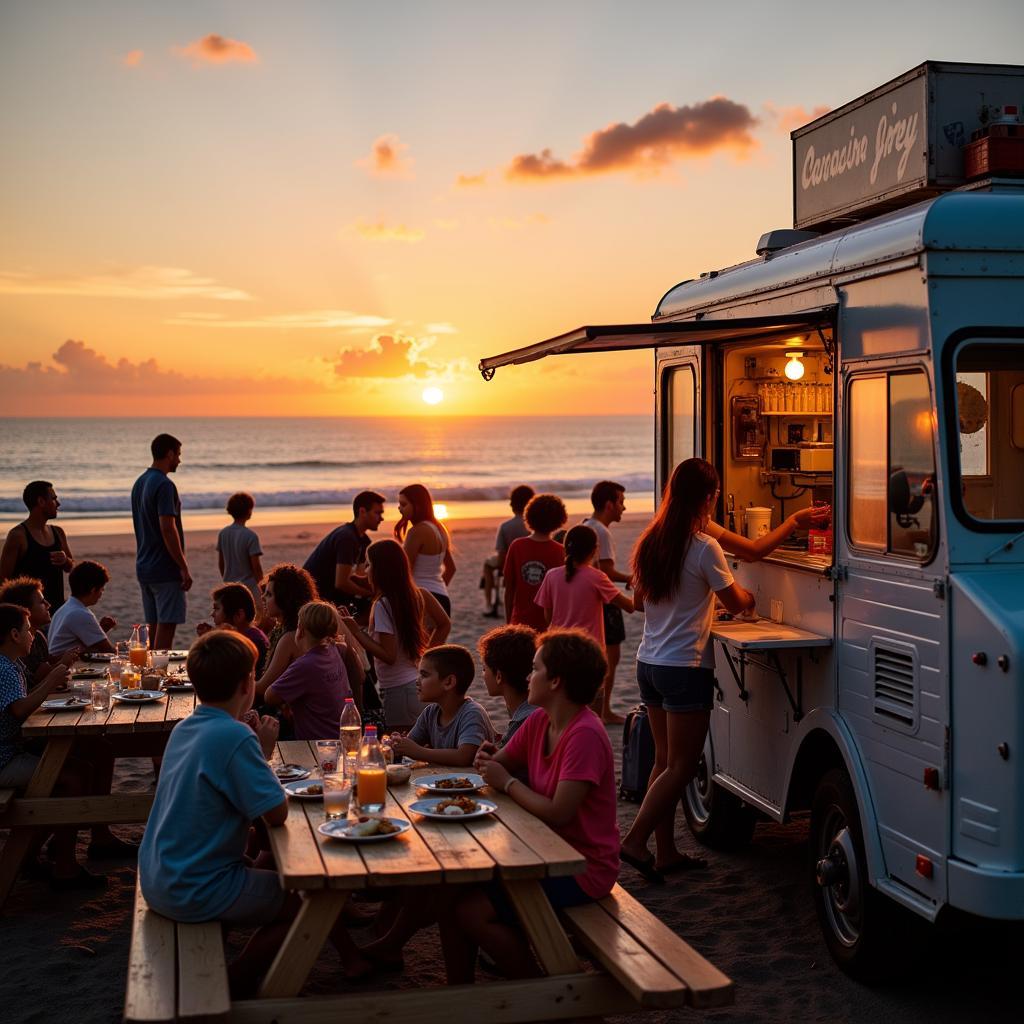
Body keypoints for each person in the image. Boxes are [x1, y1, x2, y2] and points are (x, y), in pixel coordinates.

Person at [137, 629, 372, 993]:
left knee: (265, 859)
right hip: (194, 887)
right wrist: (262, 751)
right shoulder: (234, 736)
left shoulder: (186, 728)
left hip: (160, 873)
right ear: (248, 683)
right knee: (305, 902)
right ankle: (237, 981)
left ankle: (350, 956)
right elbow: (276, 814)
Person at [442, 629, 619, 982]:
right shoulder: (540, 720)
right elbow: (499, 762)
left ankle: (545, 994)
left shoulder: (583, 733)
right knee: (450, 894)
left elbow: (559, 811)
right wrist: (489, 758)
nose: (527, 676)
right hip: (540, 850)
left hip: (582, 867)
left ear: (555, 681)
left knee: (470, 911)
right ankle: (459, 995)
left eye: (535, 669)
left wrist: (505, 782)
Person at [619, 458, 755, 882]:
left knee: (664, 762)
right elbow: (735, 602)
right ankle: (635, 840)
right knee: (682, 765)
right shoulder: (703, 546)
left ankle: (665, 852)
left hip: (649, 662)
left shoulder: (651, 540)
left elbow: (641, 601)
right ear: (710, 497)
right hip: (683, 666)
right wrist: (749, 598)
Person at [0, 602, 110, 889]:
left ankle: (35, 853)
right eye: (27, 631)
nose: (32, 635)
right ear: (13, 635)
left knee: (81, 766)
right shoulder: (4, 669)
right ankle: (64, 866)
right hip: (4, 760)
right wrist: (50, 681)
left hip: (13, 751)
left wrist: (54, 676)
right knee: (72, 778)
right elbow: (20, 711)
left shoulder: (12, 664)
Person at [340, 539, 450, 732]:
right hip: (415, 683)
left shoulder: (382, 604)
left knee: (402, 752)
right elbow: (444, 625)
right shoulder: (419, 595)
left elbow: (388, 655)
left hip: (398, 691)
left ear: (381, 569)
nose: (366, 570)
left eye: (369, 564)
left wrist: (355, 631)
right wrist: (426, 659)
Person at [534, 525, 634, 663]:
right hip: (589, 652)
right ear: (594, 550)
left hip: (557, 649)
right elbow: (629, 606)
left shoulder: (551, 576)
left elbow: (548, 617)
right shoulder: (597, 577)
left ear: (565, 549)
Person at [131, 433, 190, 650]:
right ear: (169, 453)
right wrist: (183, 566)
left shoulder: (140, 482)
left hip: (144, 565)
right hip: (164, 567)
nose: (179, 460)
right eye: (178, 455)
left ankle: (151, 677)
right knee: (166, 627)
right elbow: (167, 528)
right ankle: (158, 674)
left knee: (154, 626)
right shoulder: (164, 485)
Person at [391, 645, 495, 767]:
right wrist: (398, 744)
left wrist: (419, 752)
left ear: (449, 682)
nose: (417, 680)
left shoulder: (472, 713)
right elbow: (411, 745)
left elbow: (464, 757)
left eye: (424, 675)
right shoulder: (430, 713)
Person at [264, 601, 352, 739]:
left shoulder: (305, 665)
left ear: (300, 630)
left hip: (316, 743)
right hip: (338, 736)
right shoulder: (333, 650)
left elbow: (269, 696)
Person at [582, 481, 632, 724]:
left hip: (591, 599)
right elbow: (607, 572)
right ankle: (605, 711)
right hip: (604, 600)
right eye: (621, 502)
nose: (624, 507)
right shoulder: (601, 530)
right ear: (609, 504)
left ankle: (601, 709)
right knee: (610, 658)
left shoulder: (586, 525)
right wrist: (631, 578)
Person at [303, 491, 385, 619]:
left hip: (332, 592)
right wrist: (370, 594)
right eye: (377, 513)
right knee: (371, 604)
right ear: (362, 511)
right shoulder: (347, 537)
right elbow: (341, 583)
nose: (381, 518)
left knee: (379, 601)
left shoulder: (364, 541)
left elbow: (361, 576)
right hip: (315, 595)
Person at [0, 480, 74, 611]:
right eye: (54, 499)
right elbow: (3, 580)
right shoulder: (18, 536)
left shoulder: (58, 532)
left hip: (56, 611)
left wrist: (65, 560)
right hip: (29, 615)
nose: (58, 503)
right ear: (41, 502)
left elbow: (71, 567)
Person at [503, 494, 567, 631]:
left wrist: (509, 622)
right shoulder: (561, 551)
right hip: (549, 625)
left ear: (529, 516)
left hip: (519, 623)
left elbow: (509, 589)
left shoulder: (517, 546)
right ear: (559, 520)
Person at [0, 576, 79, 684]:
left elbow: (47, 666)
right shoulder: (14, 647)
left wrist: (70, 655)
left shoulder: (38, 636)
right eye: (42, 602)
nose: (48, 605)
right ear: (25, 609)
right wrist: (62, 663)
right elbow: (32, 685)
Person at [254, 564, 318, 698]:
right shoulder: (284, 628)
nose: (263, 598)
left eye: (269, 594)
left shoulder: (291, 637)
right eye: (264, 592)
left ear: (285, 599)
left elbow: (262, 688)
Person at [394, 484, 456, 617]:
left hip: (421, 598)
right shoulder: (440, 528)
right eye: (399, 505)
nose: (399, 509)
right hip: (442, 598)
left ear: (418, 505)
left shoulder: (416, 531)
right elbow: (451, 569)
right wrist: (436, 589)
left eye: (403, 504)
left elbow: (405, 571)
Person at [477, 624, 539, 747]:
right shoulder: (538, 707)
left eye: (484, 669)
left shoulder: (523, 722)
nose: (482, 675)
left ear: (499, 676)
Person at [481, 485, 534, 617]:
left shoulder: (505, 526)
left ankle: (489, 603)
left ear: (512, 504)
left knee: (487, 565)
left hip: (508, 565)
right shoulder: (534, 526)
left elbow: (501, 554)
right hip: (529, 564)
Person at [198, 583, 270, 677]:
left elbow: (223, 675)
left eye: (217, 609)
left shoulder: (250, 642)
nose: (212, 614)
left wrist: (209, 643)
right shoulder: (245, 635)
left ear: (239, 615)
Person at [47, 560, 117, 655]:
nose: (101, 594)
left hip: (61, 663)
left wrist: (101, 630)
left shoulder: (66, 608)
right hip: (66, 666)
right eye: (101, 589)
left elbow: (80, 646)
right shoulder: (80, 613)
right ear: (93, 590)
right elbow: (109, 651)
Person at [217, 492, 264, 612]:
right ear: (249, 511)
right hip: (249, 587)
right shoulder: (251, 536)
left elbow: (221, 563)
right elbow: (256, 567)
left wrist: (226, 579)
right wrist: (262, 586)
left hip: (230, 585)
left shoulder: (223, 533)